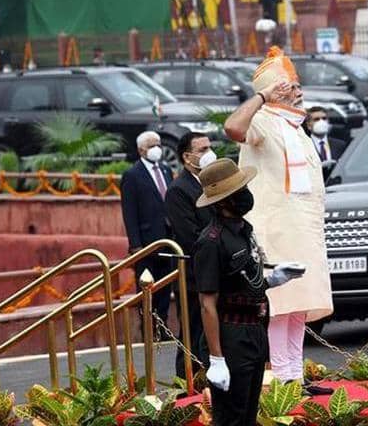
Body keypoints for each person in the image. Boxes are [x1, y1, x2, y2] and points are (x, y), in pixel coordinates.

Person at [222, 46, 334, 395]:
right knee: (280, 306)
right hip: (275, 231)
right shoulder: (262, 120)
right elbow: (232, 127)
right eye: (290, 86)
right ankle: (283, 377)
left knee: (298, 305)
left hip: (304, 230)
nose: (299, 92)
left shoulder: (296, 127)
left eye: (298, 86)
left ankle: (296, 376)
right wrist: (262, 96)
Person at [195, 159, 304, 426]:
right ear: (223, 201)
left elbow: (245, 281)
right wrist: (216, 358)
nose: (245, 195)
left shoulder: (244, 230)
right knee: (231, 418)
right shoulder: (211, 241)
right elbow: (207, 304)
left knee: (248, 415)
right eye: (239, 191)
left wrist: (273, 280)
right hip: (231, 335)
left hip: (255, 330)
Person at [165, 132, 219, 378]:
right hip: (194, 273)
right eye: (203, 149)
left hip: (215, 269)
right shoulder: (179, 190)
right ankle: (186, 381)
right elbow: (189, 235)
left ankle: (208, 378)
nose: (210, 153)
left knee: (211, 332)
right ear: (187, 157)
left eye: (210, 147)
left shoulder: (213, 181)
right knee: (192, 330)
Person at [121, 131, 175, 332]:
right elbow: (129, 212)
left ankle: (162, 329)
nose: (157, 149)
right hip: (146, 244)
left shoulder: (166, 170)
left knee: (165, 287)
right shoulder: (132, 175)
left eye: (158, 144)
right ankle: (148, 330)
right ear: (141, 149)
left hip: (167, 240)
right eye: (152, 146)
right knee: (147, 289)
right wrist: (135, 245)